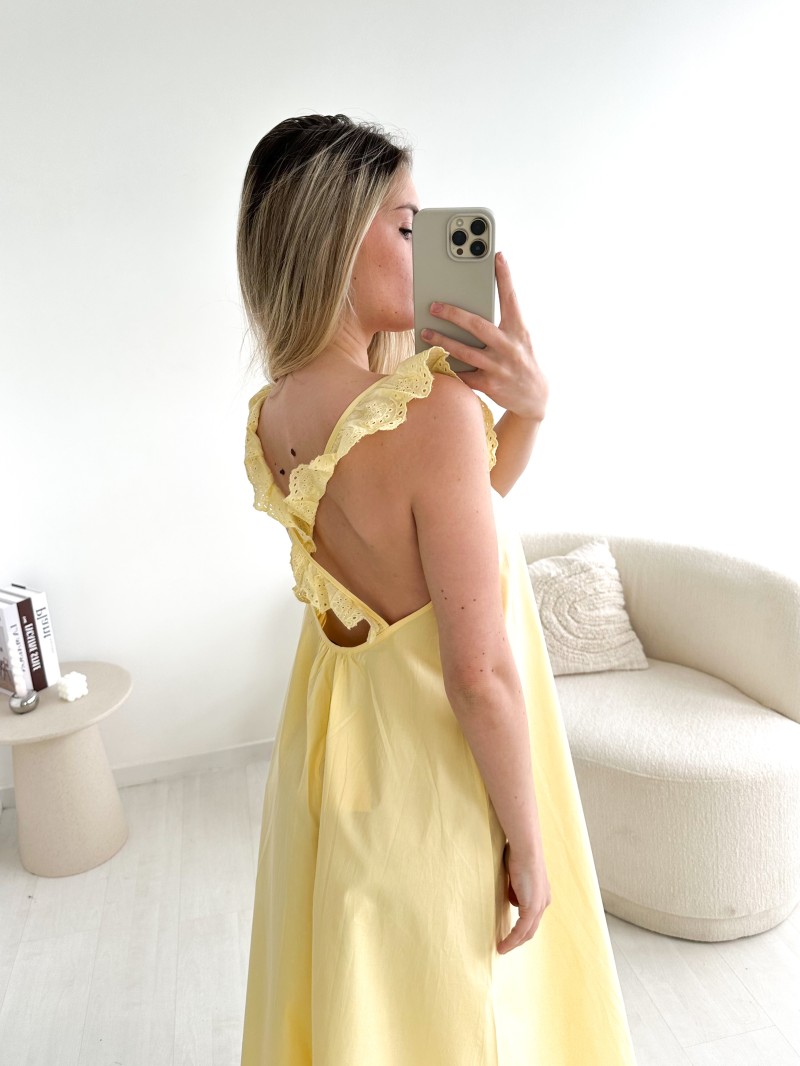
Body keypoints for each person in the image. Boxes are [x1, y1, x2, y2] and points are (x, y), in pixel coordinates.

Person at [238, 114, 636, 1065]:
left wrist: (527, 412)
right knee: (470, 1023)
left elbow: (457, 525)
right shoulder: (430, 411)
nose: (428, 248)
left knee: (370, 1016)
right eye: (407, 224)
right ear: (335, 237)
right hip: (438, 788)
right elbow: (478, 673)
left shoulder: (274, 414)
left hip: (344, 783)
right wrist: (528, 837)